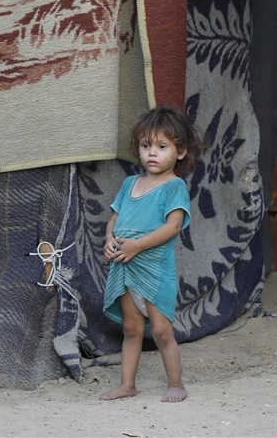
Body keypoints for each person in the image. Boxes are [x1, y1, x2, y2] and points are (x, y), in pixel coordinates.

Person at [101, 104, 203, 403]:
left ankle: (176, 384)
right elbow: (114, 219)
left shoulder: (174, 187)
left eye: (162, 146)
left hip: (154, 269)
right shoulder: (130, 183)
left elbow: (173, 227)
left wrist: (137, 245)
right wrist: (110, 239)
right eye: (146, 146)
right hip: (124, 267)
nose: (152, 153)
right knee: (131, 329)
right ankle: (127, 385)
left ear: (180, 151)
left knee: (161, 331)